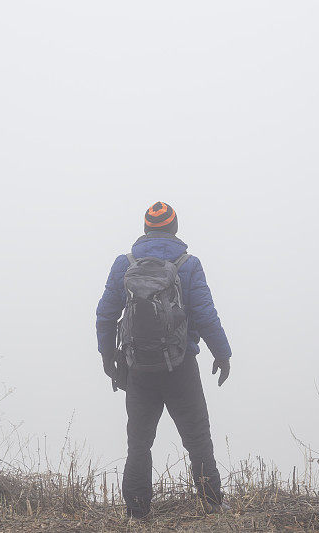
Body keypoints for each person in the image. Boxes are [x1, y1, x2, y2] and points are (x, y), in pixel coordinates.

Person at [95, 201, 232, 518]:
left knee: (139, 443)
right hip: (181, 365)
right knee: (197, 438)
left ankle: (137, 513)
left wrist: (109, 359)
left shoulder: (124, 263)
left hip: (137, 367)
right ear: (175, 229)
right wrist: (222, 354)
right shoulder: (188, 264)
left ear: (145, 230)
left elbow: (105, 315)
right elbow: (206, 315)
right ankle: (212, 504)